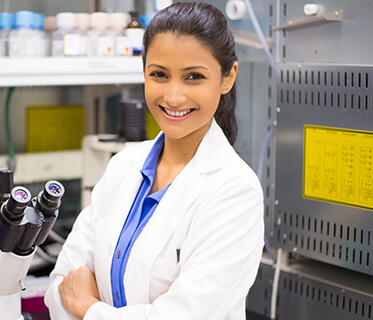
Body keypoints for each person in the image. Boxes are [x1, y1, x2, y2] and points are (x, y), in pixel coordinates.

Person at [44, 2, 264, 319]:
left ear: (227, 77)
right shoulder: (124, 165)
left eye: (194, 77)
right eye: (159, 74)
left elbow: (185, 315)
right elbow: (61, 286)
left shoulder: (234, 191)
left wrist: (87, 308)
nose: (173, 97)